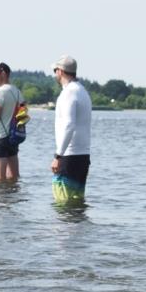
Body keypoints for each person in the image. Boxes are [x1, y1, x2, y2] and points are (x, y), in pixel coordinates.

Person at [50, 55, 92, 203]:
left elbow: (69, 125)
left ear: (60, 71)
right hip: (82, 155)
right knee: (77, 204)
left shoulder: (68, 93)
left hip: (69, 156)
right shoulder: (82, 91)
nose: (55, 74)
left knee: (63, 204)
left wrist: (58, 156)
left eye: (55, 70)